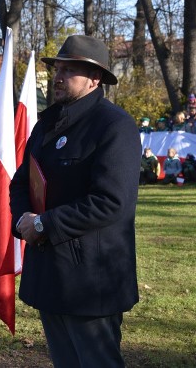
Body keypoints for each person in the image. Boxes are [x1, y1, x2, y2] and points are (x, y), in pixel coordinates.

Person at [10, 35, 140, 368]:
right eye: (58, 68)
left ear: (95, 79)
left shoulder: (114, 126)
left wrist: (44, 224)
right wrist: (24, 219)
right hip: (50, 275)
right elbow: (22, 181)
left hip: (91, 280)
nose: (58, 76)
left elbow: (111, 202)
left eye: (69, 70)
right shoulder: (46, 124)